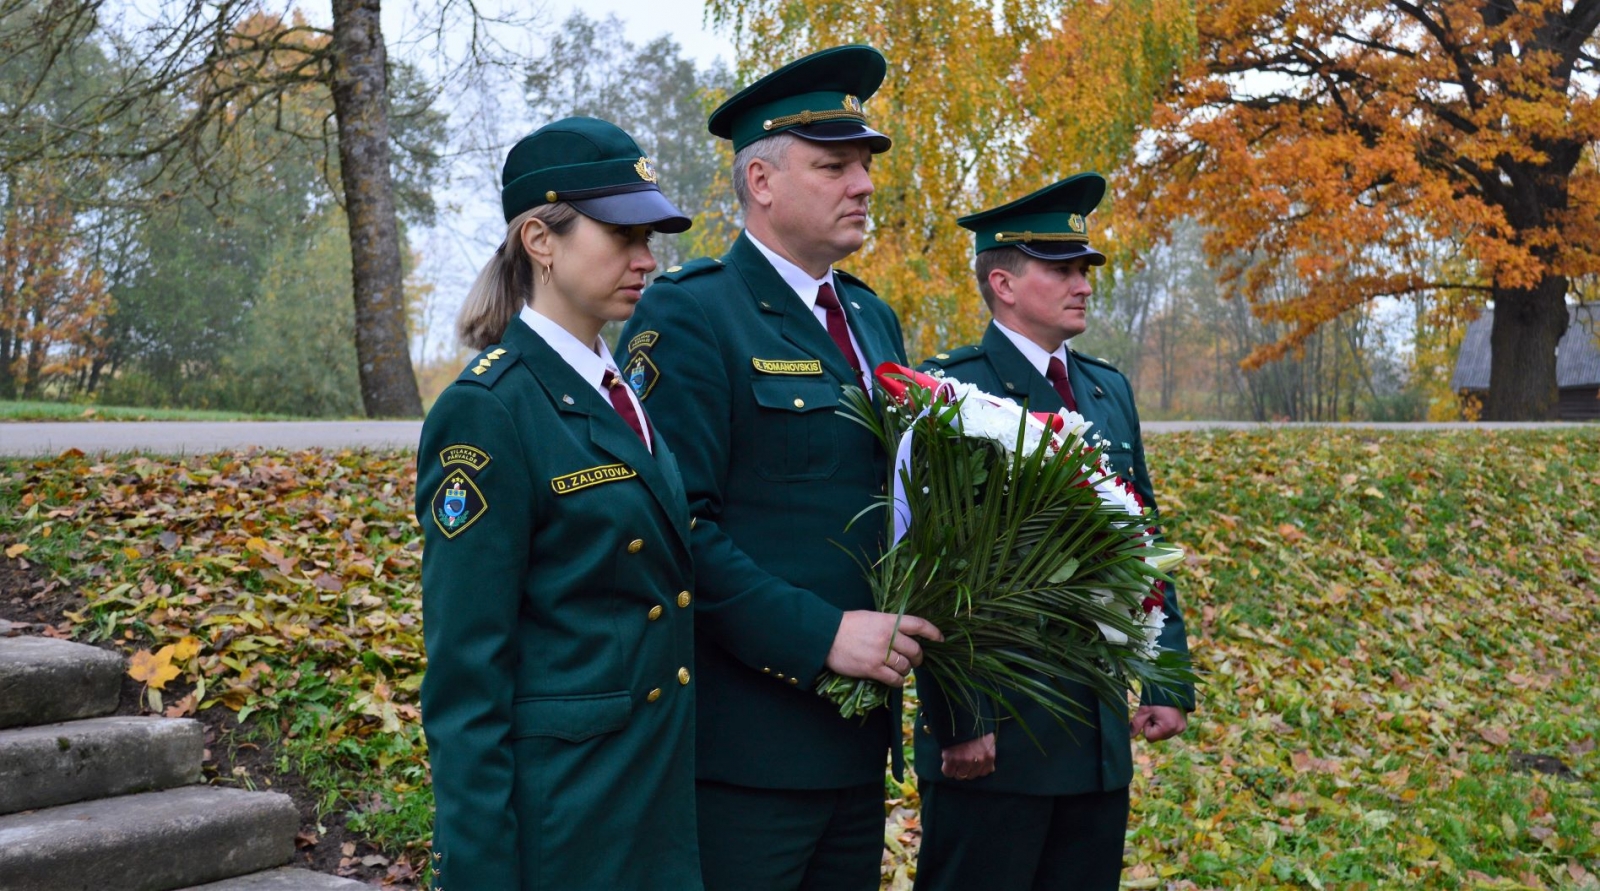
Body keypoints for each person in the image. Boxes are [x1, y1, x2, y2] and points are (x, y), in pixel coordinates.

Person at [617, 45, 943, 891]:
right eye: (833, 165)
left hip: (855, 741)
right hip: (747, 749)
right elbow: (677, 529)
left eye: (864, 165)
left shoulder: (872, 319)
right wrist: (823, 635)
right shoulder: (691, 314)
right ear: (761, 182)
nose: (863, 184)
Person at [414, 116, 701, 891]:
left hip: (654, 803)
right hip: (568, 826)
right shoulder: (491, 409)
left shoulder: (624, 392)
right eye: (622, 235)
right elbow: (466, 679)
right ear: (541, 240)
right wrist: (478, 874)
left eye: (653, 238)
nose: (647, 260)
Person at [912, 174, 1196, 891]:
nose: (1082, 283)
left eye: (1085, 268)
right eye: (1061, 268)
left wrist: (1166, 673)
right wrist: (961, 715)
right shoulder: (957, 394)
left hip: (1095, 734)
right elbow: (931, 565)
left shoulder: (1106, 389)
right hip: (1000, 738)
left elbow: (1143, 534)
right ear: (1002, 282)